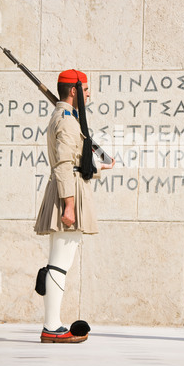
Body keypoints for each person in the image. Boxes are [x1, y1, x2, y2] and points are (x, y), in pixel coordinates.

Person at [34, 69, 115, 343]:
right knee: (60, 263)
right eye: (86, 89)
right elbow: (64, 165)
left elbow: (76, 161)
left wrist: (100, 163)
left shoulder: (65, 117)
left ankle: (52, 323)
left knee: (58, 260)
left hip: (66, 188)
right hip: (69, 193)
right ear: (74, 91)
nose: (89, 93)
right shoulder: (68, 121)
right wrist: (69, 206)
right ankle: (52, 326)